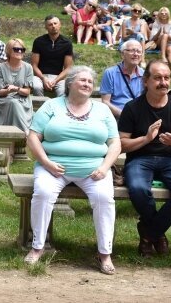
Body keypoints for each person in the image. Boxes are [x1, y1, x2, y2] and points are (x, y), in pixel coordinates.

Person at [23, 66, 121, 275]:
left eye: (90, 82)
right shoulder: (51, 106)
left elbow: (115, 143)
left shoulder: (102, 110)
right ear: (70, 84)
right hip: (53, 167)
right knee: (43, 193)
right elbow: (33, 137)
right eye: (82, 80)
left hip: (94, 169)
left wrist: (104, 168)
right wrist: (46, 162)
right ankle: (37, 248)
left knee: (105, 198)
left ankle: (105, 254)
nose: (87, 84)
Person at [119, 59, 171, 257]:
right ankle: (158, 235)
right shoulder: (132, 107)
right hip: (138, 159)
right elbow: (121, 144)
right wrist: (146, 139)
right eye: (157, 78)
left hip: (170, 160)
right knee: (138, 189)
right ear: (145, 81)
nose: (163, 82)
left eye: (166, 78)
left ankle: (149, 233)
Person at [0, 38, 34, 133]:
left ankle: (20, 134)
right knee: (13, 103)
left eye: (22, 49)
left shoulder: (28, 68)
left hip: (23, 101)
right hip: (5, 100)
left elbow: (27, 92)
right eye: (16, 49)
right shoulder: (1, 68)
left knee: (15, 103)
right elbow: (0, 93)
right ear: (8, 50)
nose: (19, 51)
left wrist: (16, 88)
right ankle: (25, 133)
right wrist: (9, 90)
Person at [99, 40, 144, 118]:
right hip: (117, 117)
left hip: (138, 117)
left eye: (139, 51)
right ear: (123, 54)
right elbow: (105, 102)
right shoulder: (110, 73)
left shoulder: (144, 74)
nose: (136, 54)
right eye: (132, 51)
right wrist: (124, 115)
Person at [31, 15, 73, 97]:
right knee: (36, 87)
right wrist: (43, 79)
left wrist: (56, 80)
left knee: (63, 90)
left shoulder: (67, 43)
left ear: (60, 25)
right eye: (50, 24)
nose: (53, 26)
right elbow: (34, 65)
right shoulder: (38, 41)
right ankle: (41, 108)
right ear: (46, 27)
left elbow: (68, 68)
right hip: (40, 76)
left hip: (58, 77)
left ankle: (59, 109)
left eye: (55, 23)